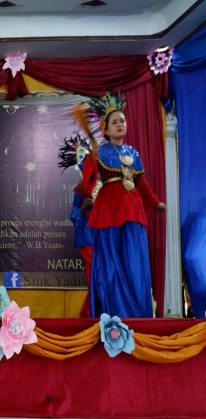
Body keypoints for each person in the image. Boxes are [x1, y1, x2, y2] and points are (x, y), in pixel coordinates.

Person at [78, 92, 165, 318]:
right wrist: (91, 157)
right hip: (109, 211)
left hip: (133, 211)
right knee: (112, 262)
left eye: (122, 121)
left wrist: (155, 202)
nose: (120, 124)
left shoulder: (133, 152)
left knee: (134, 262)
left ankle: (137, 312)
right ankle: (115, 311)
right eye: (114, 122)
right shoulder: (101, 150)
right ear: (106, 129)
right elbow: (88, 183)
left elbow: (141, 183)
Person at [59, 135, 95, 317]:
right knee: (94, 275)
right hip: (88, 236)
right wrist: (83, 207)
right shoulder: (80, 190)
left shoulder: (102, 183)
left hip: (104, 235)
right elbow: (73, 215)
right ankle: (91, 312)